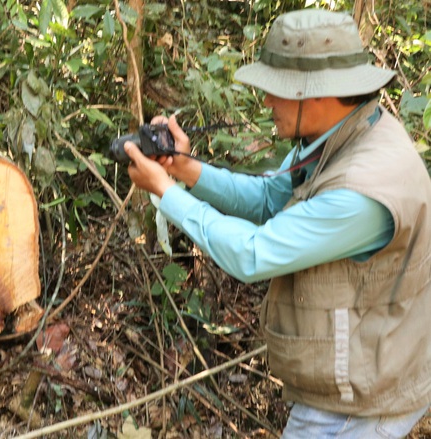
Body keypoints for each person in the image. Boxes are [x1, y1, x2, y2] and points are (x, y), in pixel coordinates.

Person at [124, 8, 431, 438]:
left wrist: (166, 194)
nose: (266, 101)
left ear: (316, 94)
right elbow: (270, 198)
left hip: (359, 401)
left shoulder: (361, 192)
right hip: (363, 371)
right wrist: (184, 170)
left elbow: (253, 254)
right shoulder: (343, 134)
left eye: (277, 90)